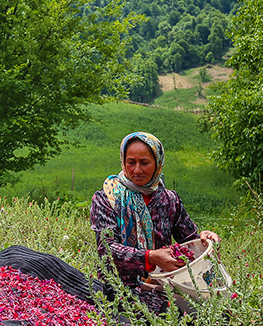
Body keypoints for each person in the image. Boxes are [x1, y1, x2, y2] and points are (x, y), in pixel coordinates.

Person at [90, 131, 220, 312]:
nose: (136, 170)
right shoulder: (107, 198)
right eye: (131, 162)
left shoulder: (168, 200)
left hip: (164, 285)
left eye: (144, 163)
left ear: (158, 163)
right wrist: (150, 257)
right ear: (123, 160)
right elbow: (107, 249)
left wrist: (204, 238)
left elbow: (189, 242)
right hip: (119, 289)